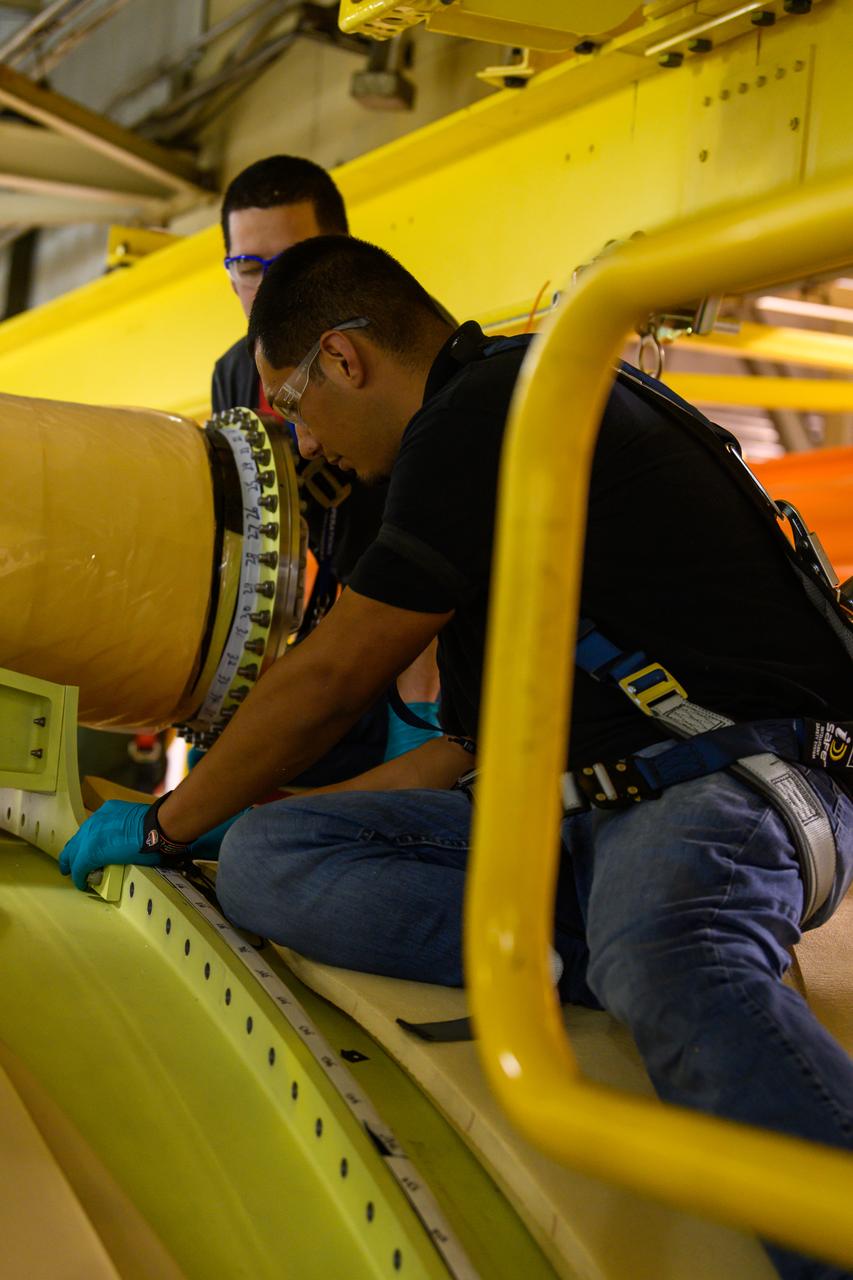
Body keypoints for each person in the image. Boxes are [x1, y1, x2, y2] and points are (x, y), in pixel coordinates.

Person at [62, 236, 853, 1280]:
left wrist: (169, 820)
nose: (308, 440)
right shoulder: (490, 446)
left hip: (725, 783)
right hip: (571, 815)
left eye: (294, 407)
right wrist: (228, 826)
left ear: (343, 358)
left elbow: (335, 672)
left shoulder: (486, 411)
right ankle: (594, 948)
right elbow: (453, 760)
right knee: (270, 855)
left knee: (668, 958)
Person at [212, 154, 440, 777]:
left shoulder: (405, 354)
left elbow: (437, 560)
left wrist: (420, 717)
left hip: (419, 633)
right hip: (327, 628)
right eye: (249, 267)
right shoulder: (234, 377)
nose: (268, 287)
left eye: (291, 261)